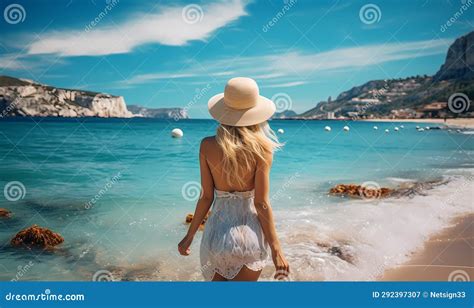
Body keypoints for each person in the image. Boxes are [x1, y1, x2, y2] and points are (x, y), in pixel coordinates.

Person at [178, 77, 289, 281]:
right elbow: (261, 203)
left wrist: (190, 235)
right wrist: (276, 249)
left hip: (215, 237)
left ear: (224, 111)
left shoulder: (206, 145)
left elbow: (205, 197)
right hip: (249, 237)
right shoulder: (262, 150)